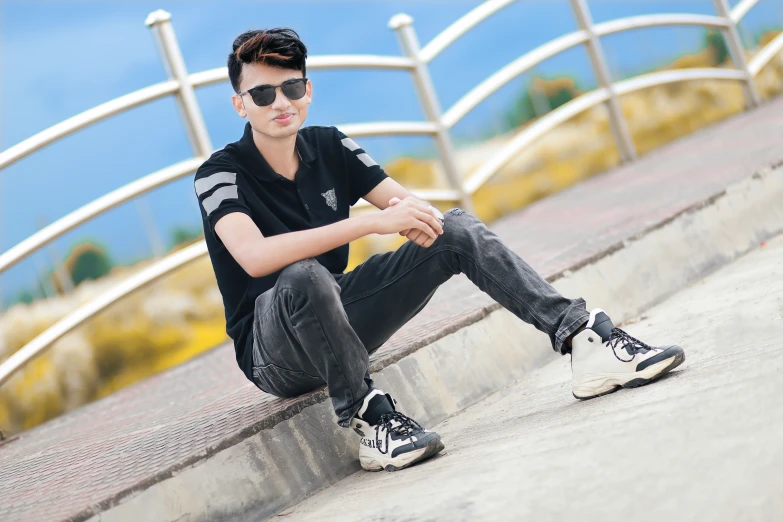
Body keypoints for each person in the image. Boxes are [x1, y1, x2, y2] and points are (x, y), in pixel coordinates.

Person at [194, 28, 685, 473]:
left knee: (455, 227)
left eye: (292, 88)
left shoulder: (330, 145)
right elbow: (255, 257)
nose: (280, 102)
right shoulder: (219, 174)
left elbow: (410, 208)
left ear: (308, 91)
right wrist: (371, 223)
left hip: (337, 312)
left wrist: (421, 220)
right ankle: (372, 420)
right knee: (302, 275)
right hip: (272, 352)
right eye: (262, 93)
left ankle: (580, 337)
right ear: (241, 105)